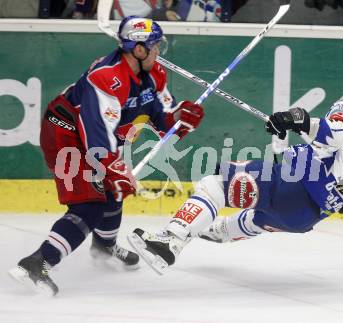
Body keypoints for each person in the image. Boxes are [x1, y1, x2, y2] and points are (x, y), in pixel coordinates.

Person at [8, 16, 204, 295]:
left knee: (112, 192)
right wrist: (112, 167)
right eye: (155, 45)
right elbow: (96, 136)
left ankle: (104, 247)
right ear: (138, 49)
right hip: (65, 134)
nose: (159, 51)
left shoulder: (155, 74)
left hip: (93, 137)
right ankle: (37, 263)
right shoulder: (106, 78)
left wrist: (182, 119)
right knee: (90, 204)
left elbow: (161, 121)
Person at [127, 76, 343, 275]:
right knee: (258, 216)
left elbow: (337, 133)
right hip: (304, 217)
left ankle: (170, 242)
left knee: (215, 186)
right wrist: (331, 196)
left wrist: (297, 118)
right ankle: (220, 231)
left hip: (294, 182)